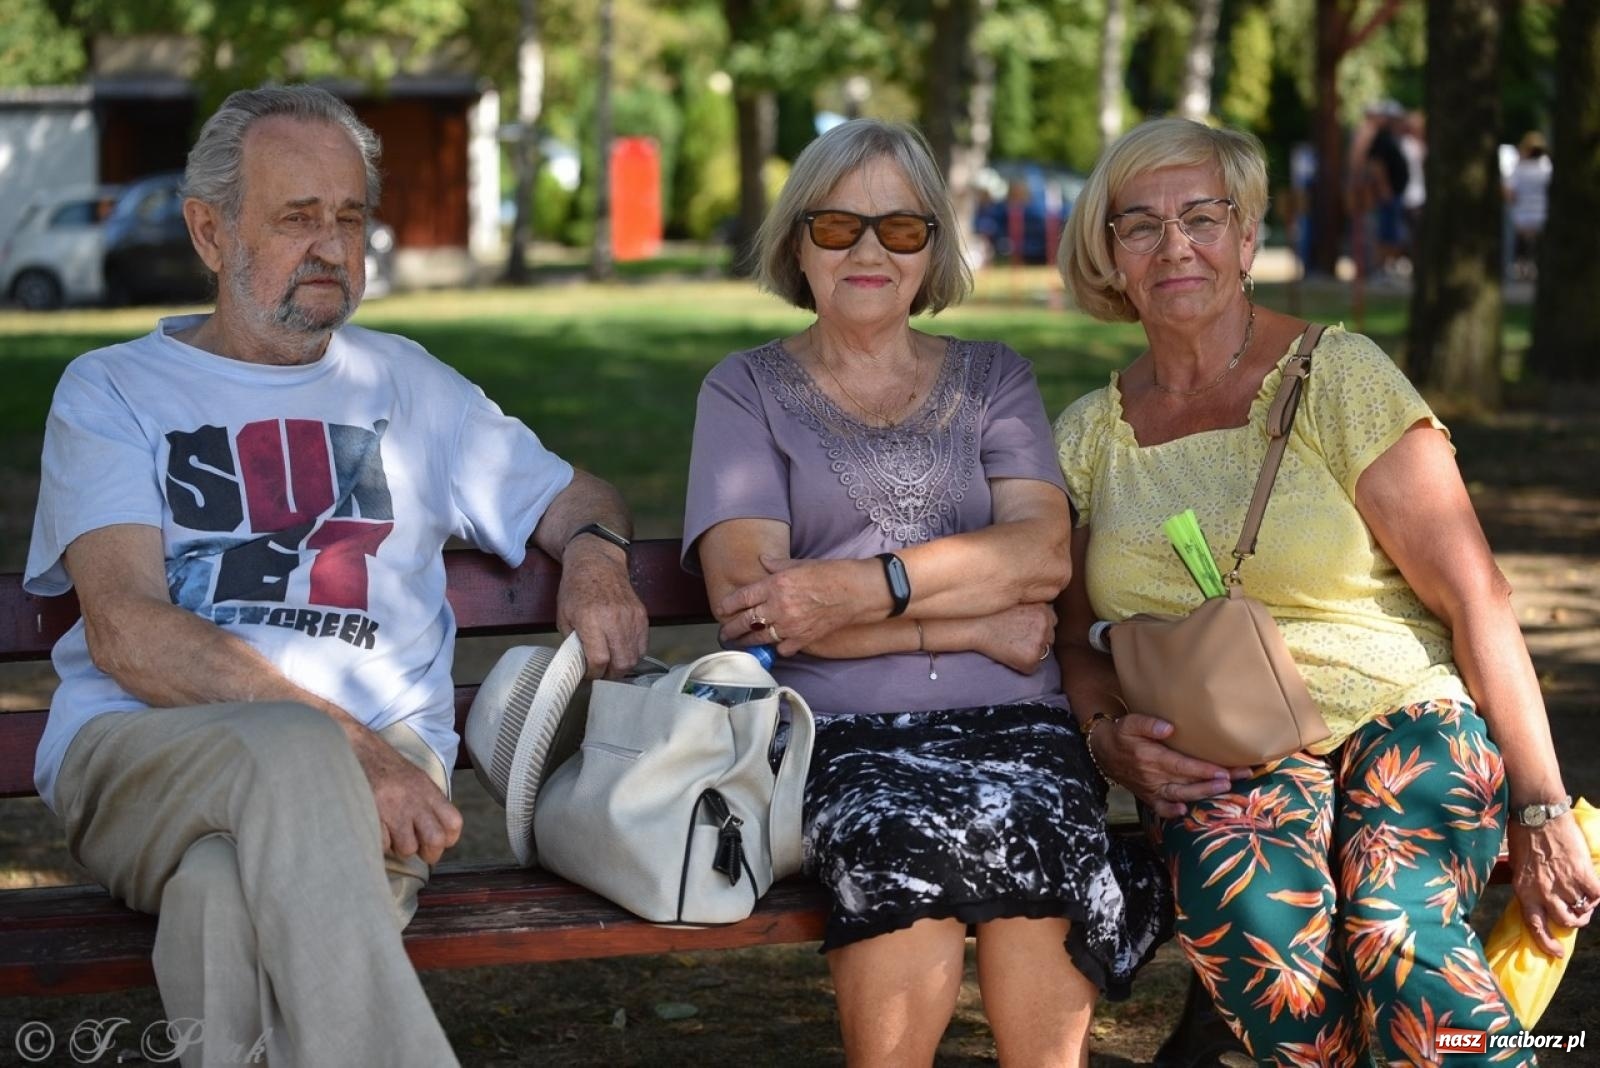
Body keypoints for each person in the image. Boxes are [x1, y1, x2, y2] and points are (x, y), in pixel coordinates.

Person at [24, 84, 648, 1067]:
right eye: (297, 217)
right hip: (148, 753)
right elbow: (128, 632)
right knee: (293, 751)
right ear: (208, 232)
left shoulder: (410, 385)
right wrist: (350, 746)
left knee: (218, 900)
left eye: (350, 217)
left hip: (372, 760)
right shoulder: (114, 391)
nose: (332, 245)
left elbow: (581, 499)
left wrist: (599, 563)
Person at [1052, 117, 1598, 1066]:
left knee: (1398, 927)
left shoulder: (1338, 376)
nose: (1174, 244)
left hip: (1404, 715)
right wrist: (1109, 743)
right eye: (1139, 224)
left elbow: (1478, 597)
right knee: (1266, 947)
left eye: (1202, 217)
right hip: (1224, 752)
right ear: (1109, 255)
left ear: (1250, 237)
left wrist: (1543, 810)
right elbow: (1073, 641)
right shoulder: (1090, 439)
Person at [683, 118, 1169, 1066]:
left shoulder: (995, 377)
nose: (870, 250)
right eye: (838, 227)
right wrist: (978, 621)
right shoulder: (744, 390)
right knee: (898, 837)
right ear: (796, 242)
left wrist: (861, 589)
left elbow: (1038, 559)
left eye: (902, 229)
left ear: (934, 249)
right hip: (836, 733)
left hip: (1018, 723)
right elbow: (756, 607)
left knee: (1044, 827)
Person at [1507, 131, 1552, 281]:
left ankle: (1522, 270)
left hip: (1522, 215)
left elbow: (1510, 193)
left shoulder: (1519, 168)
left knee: (1522, 247)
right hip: (1541, 213)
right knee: (1536, 247)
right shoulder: (1546, 167)